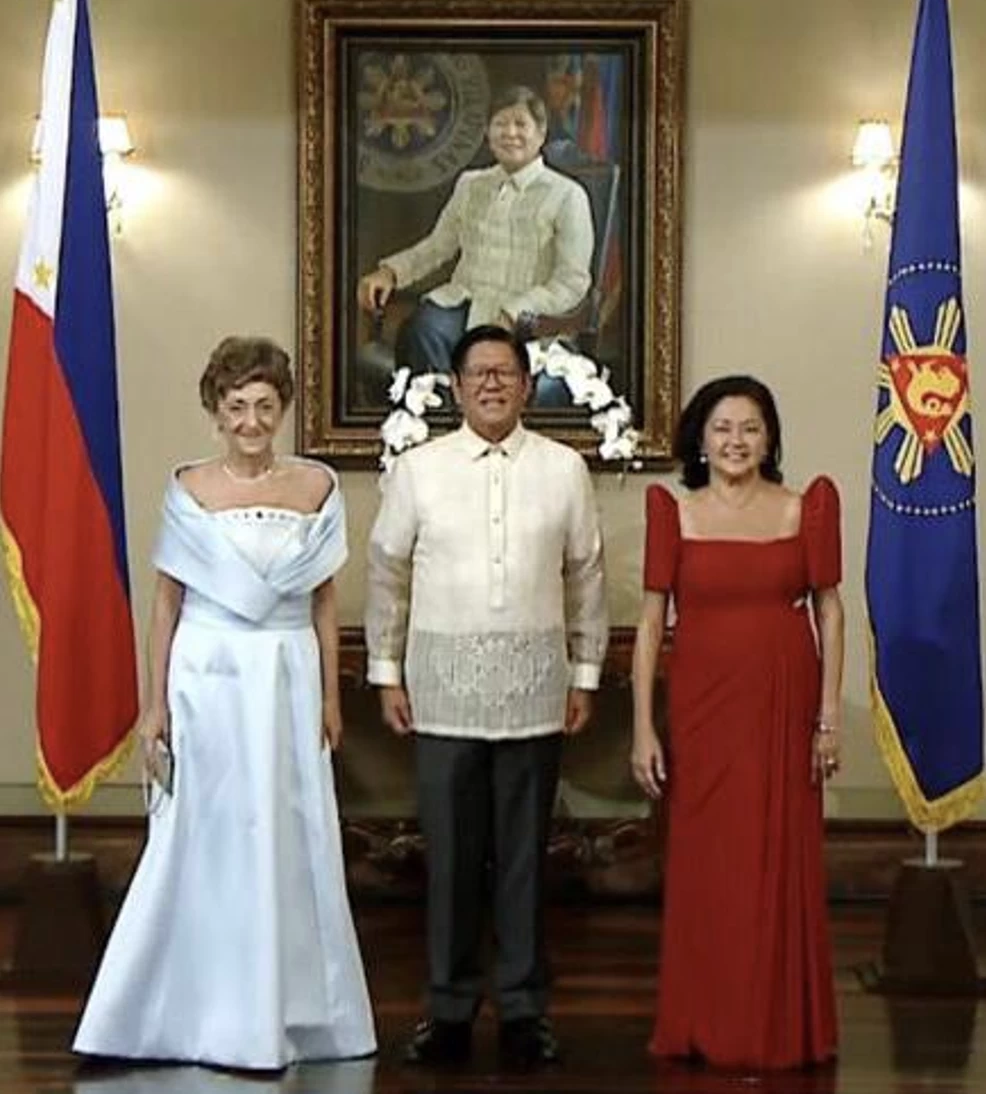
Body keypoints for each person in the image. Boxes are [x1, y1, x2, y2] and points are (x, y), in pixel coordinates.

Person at [73, 336, 376, 1070]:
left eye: (265, 406)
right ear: (215, 410)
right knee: (203, 833)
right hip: (206, 676)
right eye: (237, 406)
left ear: (283, 411)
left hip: (287, 674)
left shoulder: (315, 488)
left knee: (286, 829)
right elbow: (165, 604)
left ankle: (292, 1012)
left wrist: (333, 697)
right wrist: (155, 706)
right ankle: (182, 1012)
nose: (251, 420)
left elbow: (324, 603)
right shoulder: (189, 489)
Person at [364, 324, 607, 1069]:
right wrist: (385, 671)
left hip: (537, 692)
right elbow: (386, 571)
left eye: (506, 373)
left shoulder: (565, 469)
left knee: (526, 860)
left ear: (528, 385)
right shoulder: (418, 469)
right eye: (478, 374)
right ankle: (447, 1009)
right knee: (452, 861)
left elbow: (586, 576)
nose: (492, 384)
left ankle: (526, 1011)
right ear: (458, 386)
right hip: (441, 694)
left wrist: (586, 674)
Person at [631, 375, 843, 1069]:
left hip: (784, 705)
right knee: (709, 862)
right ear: (700, 437)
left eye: (751, 428)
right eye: (722, 428)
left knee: (775, 854)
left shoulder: (806, 507)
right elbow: (651, 624)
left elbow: (830, 613)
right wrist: (642, 726)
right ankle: (703, 1021)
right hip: (701, 708)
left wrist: (828, 719)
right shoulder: (674, 511)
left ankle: (777, 1024)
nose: (736, 441)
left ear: (771, 438)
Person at [356, 86, 594, 377]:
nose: (510, 133)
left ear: (541, 133)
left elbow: (571, 282)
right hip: (464, 303)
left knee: (494, 358)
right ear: (487, 134)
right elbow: (437, 246)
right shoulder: (470, 184)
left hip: (528, 320)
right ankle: (439, 417)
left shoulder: (567, 195)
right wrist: (390, 272)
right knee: (422, 330)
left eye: (521, 124)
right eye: (500, 124)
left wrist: (518, 310)